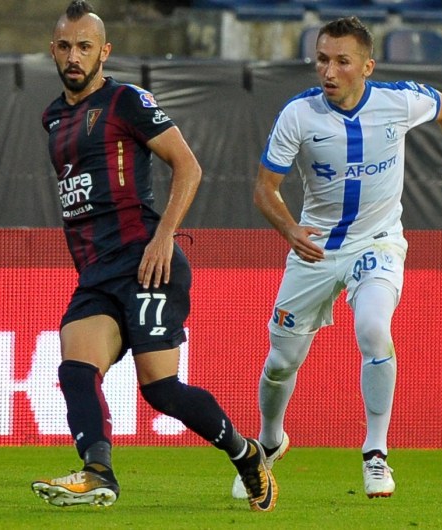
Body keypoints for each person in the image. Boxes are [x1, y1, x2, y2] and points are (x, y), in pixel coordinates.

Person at [31, 0, 276, 511]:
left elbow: (188, 166)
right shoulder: (53, 117)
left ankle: (246, 454)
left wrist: (165, 236)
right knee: (76, 369)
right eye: (66, 46)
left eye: (85, 47)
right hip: (98, 273)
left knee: (161, 390)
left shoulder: (127, 100)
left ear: (104, 52)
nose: (74, 56)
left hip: (147, 262)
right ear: (52, 50)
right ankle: (98, 472)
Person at [231, 16, 442, 500]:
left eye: (342, 61)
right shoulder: (298, 115)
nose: (329, 71)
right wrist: (290, 230)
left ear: (367, 66)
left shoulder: (399, 101)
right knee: (281, 362)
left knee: (373, 328)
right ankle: (269, 442)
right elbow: (265, 190)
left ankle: (375, 453)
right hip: (316, 249)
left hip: (378, 242)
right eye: (322, 59)